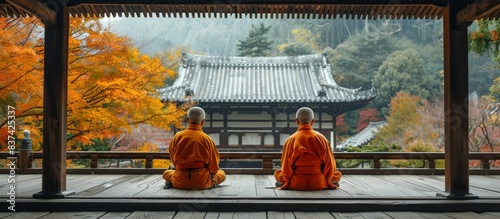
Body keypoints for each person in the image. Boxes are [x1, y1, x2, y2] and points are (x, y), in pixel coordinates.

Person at [274, 107, 342, 190]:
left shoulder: (290, 140)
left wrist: (286, 181)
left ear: (297, 121)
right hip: (319, 182)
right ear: (312, 121)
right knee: (336, 174)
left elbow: (286, 168)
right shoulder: (322, 139)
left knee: (278, 173)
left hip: (297, 183)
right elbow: (330, 165)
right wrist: (328, 179)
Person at [163, 106, 226, 190]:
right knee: (221, 174)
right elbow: (213, 168)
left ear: (188, 120)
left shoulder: (177, 136)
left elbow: (174, 161)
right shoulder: (207, 139)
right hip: (202, 182)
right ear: (203, 122)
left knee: (166, 173)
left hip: (180, 181)